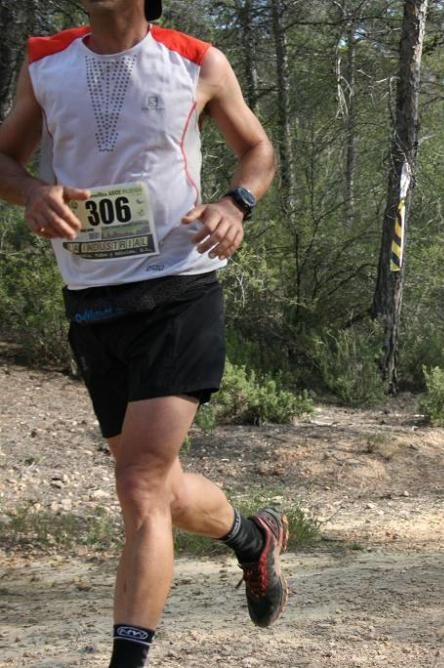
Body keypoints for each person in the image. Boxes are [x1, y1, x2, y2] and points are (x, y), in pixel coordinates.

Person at [0, 1, 285, 665]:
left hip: (178, 288)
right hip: (93, 297)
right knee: (161, 485)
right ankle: (252, 539)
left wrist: (235, 202)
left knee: (139, 488)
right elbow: (4, 160)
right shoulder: (46, 63)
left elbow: (258, 150)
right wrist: (33, 191)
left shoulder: (196, 61)